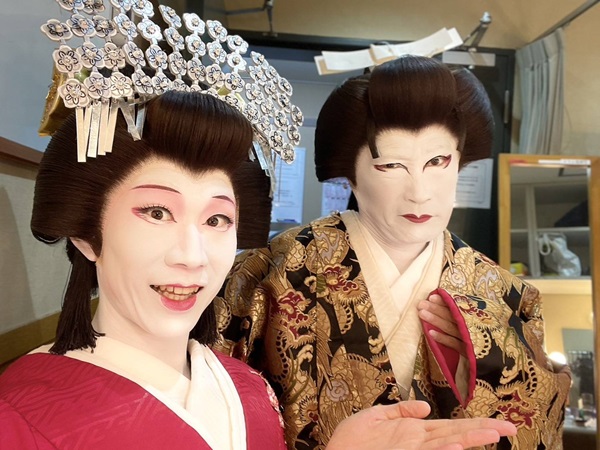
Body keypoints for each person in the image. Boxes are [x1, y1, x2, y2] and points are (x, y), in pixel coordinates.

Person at [0, 3, 517, 448]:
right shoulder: (19, 416)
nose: (192, 255)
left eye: (217, 218)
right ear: (85, 231)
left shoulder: (247, 389)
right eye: (156, 212)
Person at [215, 55, 571, 449]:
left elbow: (544, 414)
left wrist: (485, 365)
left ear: (460, 162)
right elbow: (213, 415)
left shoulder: (507, 295)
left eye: (438, 161)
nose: (419, 192)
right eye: (391, 165)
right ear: (350, 174)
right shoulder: (270, 275)